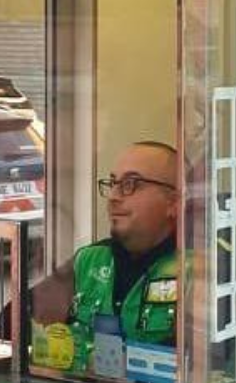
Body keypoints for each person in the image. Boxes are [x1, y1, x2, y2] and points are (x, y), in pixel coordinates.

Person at [26, 141, 179, 368]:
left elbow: (204, 372)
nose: (114, 197)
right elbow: (14, 323)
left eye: (131, 184)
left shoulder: (194, 270)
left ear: (173, 203)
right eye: (113, 183)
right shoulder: (90, 260)